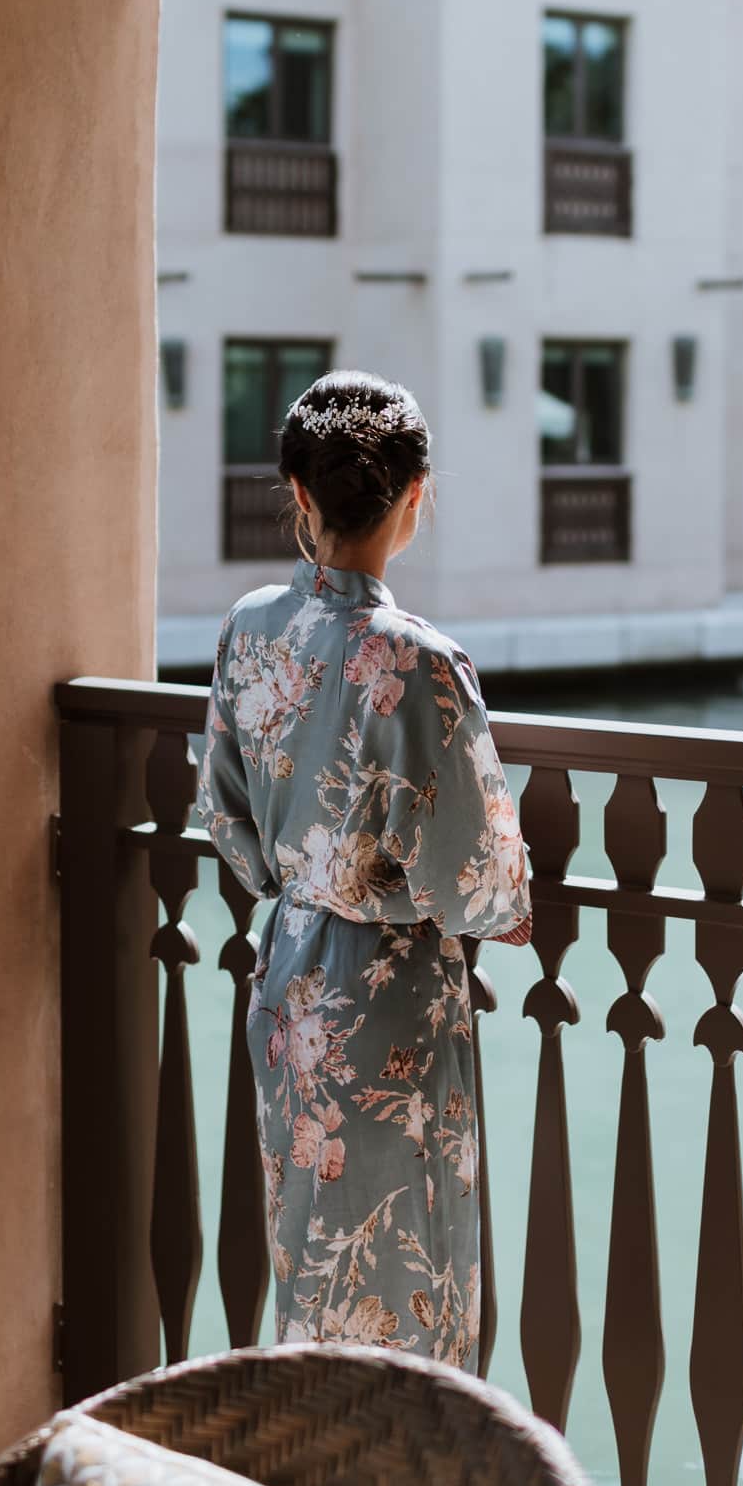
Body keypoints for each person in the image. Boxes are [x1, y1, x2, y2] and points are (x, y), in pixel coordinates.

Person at [196, 369, 532, 1368]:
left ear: (300, 496)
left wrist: (307, 874)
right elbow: (484, 885)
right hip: (392, 1011)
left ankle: (319, 1481)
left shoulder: (251, 629)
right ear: (414, 499)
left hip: (291, 983)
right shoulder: (420, 663)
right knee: (408, 1268)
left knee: (313, 1262)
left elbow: (226, 814)